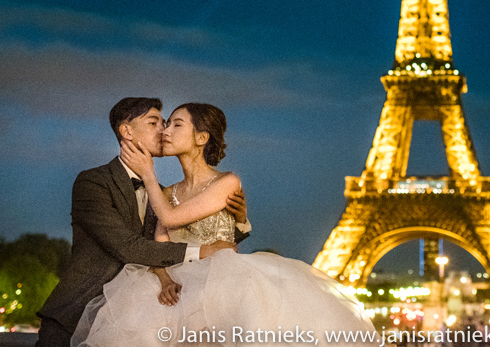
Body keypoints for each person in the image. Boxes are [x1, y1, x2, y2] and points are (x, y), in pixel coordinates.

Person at [71, 102, 375, 347]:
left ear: (202, 138)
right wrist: (164, 280)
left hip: (222, 284)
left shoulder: (226, 181)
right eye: (162, 123)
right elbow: (158, 241)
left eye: (176, 123)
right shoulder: (163, 192)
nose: (166, 130)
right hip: (177, 285)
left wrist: (148, 174)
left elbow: (173, 219)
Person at [36, 98, 251, 347]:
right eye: (155, 123)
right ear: (126, 131)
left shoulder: (161, 194)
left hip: (147, 314)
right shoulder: (93, 183)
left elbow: (202, 235)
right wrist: (198, 254)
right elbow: (128, 247)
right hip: (80, 313)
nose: (164, 131)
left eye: (168, 123)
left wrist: (238, 219)